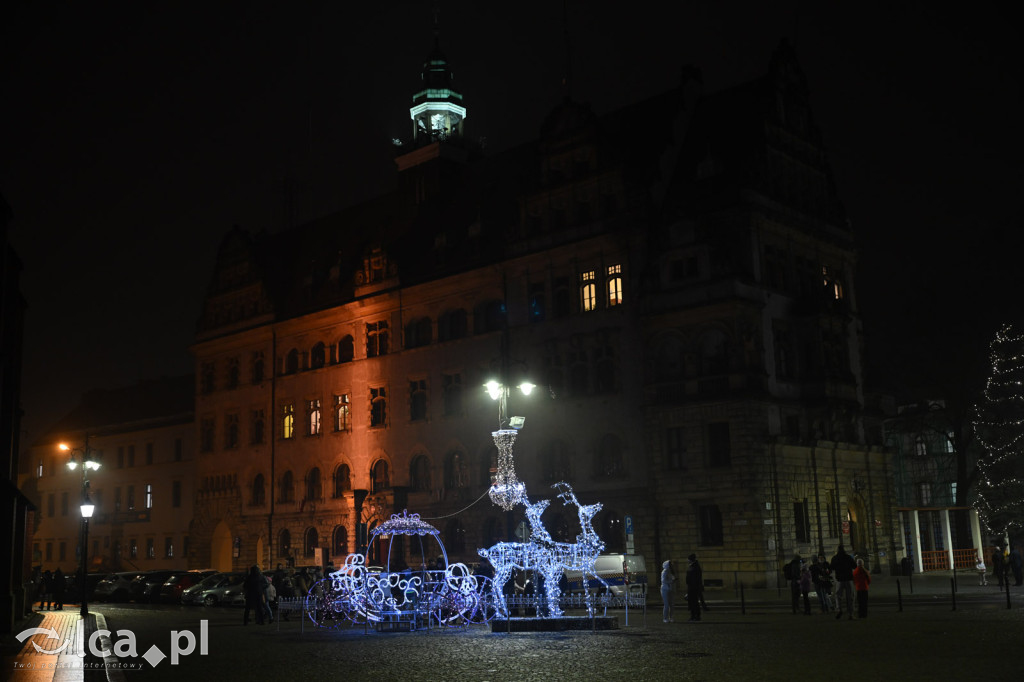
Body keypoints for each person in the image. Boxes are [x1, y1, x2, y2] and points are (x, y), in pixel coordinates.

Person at [831, 545, 856, 620]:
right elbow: (854, 566)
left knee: (838, 596)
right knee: (850, 597)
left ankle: (839, 609)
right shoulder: (848, 557)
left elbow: (832, 567)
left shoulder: (835, 558)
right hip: (848, 579)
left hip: (839, 579)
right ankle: (850, 614)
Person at [685, 554, 703, 622]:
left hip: (693, 587)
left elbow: (694, 578)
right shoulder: (694, 566)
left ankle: (695, 616)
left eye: (688, 559)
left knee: (693, 602)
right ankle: (695, 616)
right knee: (693, 602)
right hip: (692, 587)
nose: (687, 560)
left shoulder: (694, 567)